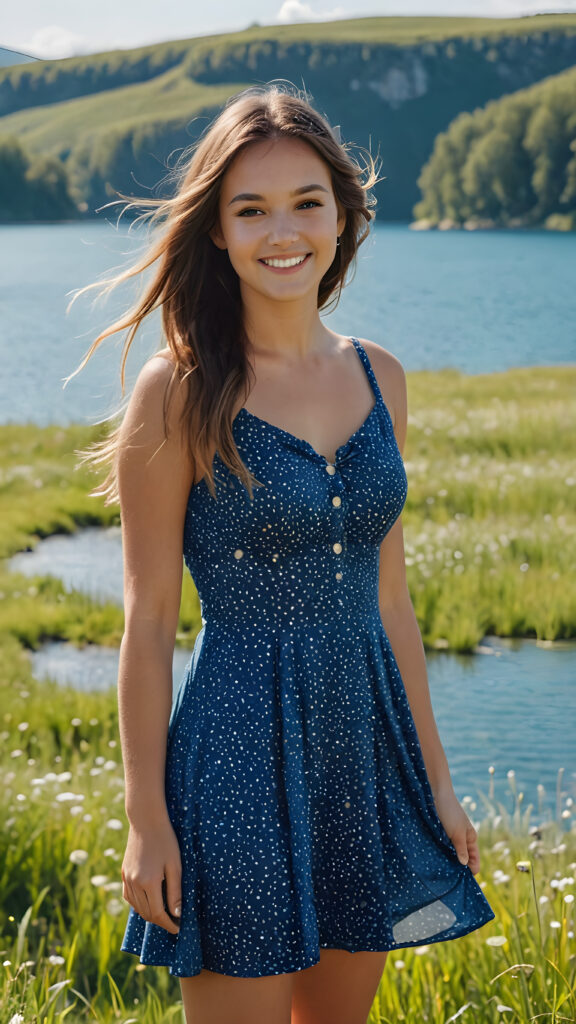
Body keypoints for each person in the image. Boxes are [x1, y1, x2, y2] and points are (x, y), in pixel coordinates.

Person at [68, 82, 495, 1024]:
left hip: (362, 750)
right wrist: (146, 821)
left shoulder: (382, 375)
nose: (282, 232)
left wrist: (438, 781)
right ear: (216, 230)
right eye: (250, 209)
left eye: (307, 202)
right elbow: (147, 625)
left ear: (342, 216)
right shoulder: (178, 392)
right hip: (234, 761)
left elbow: (392, 598)